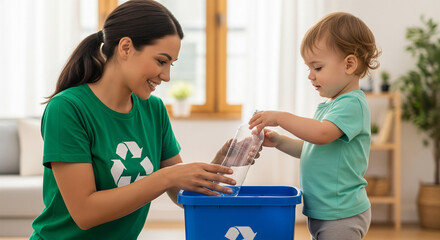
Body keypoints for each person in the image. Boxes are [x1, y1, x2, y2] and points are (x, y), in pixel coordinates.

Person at [30, 1, 242, 239]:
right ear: (126, 47)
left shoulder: (154, 110)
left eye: (171, 64)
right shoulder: (68, 109)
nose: (167, 76)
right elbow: (85, 213)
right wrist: (166, 176)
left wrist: (220, 165)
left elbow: (181, 196)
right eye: (161, 61)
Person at [249, 12, 380, 240]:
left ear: (349, 64)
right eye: (308, 68)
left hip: (341, 214)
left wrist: (280, 117)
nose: (310, 76)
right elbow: (313, 149)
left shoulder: (352, 105)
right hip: (325, 212)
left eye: (317, 68)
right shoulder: (332, 106)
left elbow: (319, 134)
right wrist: (279, 141)